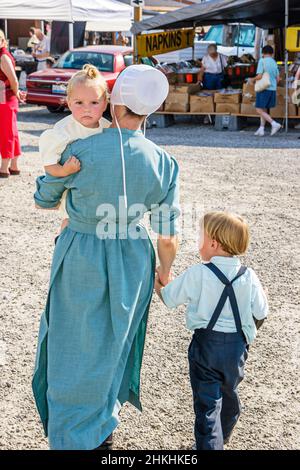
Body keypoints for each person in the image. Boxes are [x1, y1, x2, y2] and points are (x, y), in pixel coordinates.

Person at [32, 64, 180, 450]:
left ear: (112, 103)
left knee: (72, 342)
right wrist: (164, 272)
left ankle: (68, 434)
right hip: (133, 255)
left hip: (82, 249)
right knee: (115, 344)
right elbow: (167, 235)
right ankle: (102, 432)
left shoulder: (77, 148)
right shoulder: (163, 161)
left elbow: (44, 199)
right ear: (149, 111)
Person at [155, 211, 268, 450]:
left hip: (206, 347)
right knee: (229, 394)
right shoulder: (249, 276)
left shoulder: (199, 273)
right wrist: (246, 337)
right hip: (236, 349)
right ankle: (222, 435)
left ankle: (210, 444)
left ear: (213, 244)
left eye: (200, 236)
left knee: (207, 404)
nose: (198, 241)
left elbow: (169, 298)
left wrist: (159, 283)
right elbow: (261, 312)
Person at [39, 64, 110, 233]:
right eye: (79, 102)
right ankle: (64, 248)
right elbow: (49, 166)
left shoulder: (108, 128)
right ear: (69, 103)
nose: (87, 108)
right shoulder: (63, 132)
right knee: (70, 224)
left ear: (105, 104)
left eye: (94, 102)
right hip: (74, 196)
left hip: (100, 192)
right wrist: (64, 170)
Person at [0, 29, 26, 178]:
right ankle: (14, 166)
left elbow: (14, 80)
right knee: (12, 132)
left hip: (6, 98)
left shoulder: (3, 56)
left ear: (3, 41)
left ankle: (4, 168)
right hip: (5, 97)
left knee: (6, 133)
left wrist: (16, 93)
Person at [251, 45, 281, 137]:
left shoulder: (262, 61)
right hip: (272, 89)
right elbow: (278, 79)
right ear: (272, 53)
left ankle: (274, 124)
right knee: (264, 109)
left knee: (258, 109)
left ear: (262, 53)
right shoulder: (274, 62)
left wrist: (252, 79)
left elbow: (259, 76)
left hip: (263, 88)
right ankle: (261, 128)